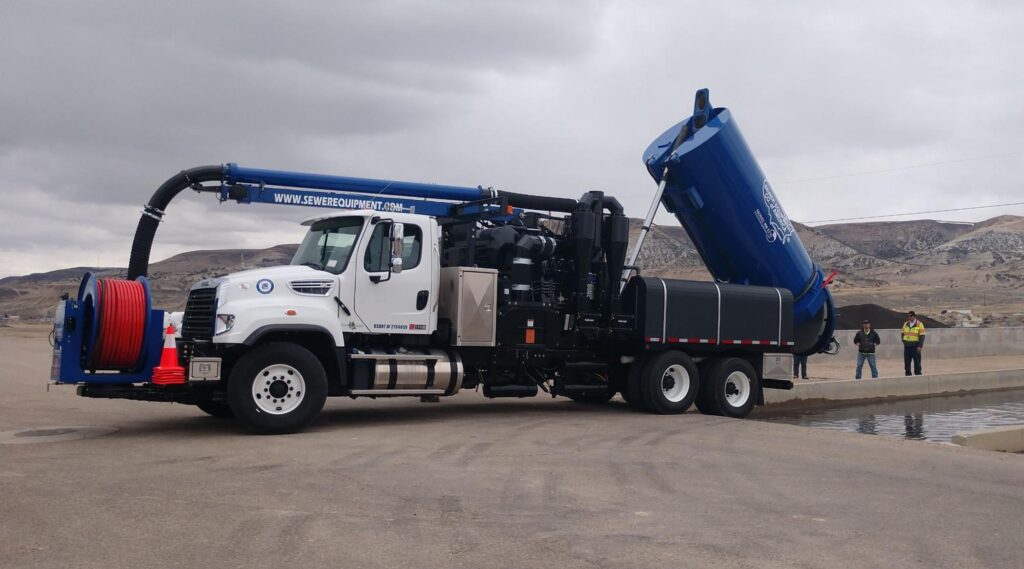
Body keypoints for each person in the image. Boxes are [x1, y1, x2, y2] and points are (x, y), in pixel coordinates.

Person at [901, 310, 926, 376]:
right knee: (907, 363)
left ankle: (918, 375)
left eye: (910, 316)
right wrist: (904, 342)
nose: (909, 317)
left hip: (915, 347)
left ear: (914, 316)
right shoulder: (906, 324)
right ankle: (908, 375)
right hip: (907, 347)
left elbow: (922, 336)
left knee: (917, 363)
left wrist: (920, 346)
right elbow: (903, 334)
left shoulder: (919, 324)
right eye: (908, 316)